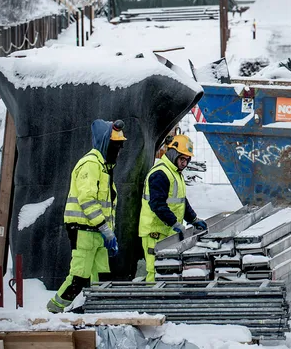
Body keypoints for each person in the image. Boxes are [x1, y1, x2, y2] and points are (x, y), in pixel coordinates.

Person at [47, 119, 127, 314]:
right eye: (116, 145)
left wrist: (108, 233)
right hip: (85, 230)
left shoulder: (103, 168)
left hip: (97, 232)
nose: (119, 149)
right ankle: (52, 311)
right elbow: (87, 200)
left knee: (98, 277)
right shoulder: (91, 164)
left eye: (120, 145)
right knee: (79, 277)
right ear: (105, 143)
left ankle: (93, 309)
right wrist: (106, 230)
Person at [138, 134, 208, 282]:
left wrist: (193, 219)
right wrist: (175, 223)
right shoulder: (160, 174)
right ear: (172, 154)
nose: (184, 163)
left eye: (187, 160)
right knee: (155, 271)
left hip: (167, 232)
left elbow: (181, 201)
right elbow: (157, 204)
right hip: (154, 233)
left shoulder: (175, 173)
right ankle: (151, 302)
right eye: (182, 159)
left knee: (167, 272)